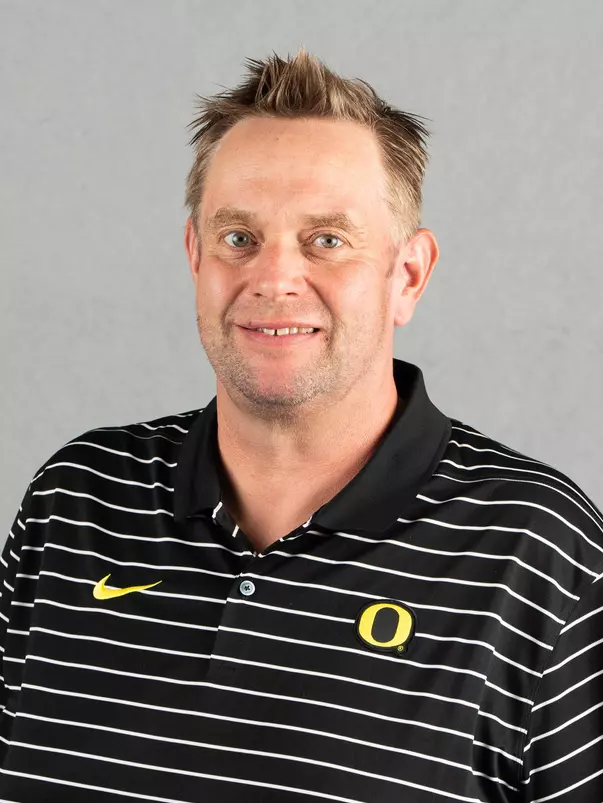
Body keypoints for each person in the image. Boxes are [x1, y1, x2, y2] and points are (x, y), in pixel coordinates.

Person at [1, 46, 602, 803]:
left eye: (326, 240)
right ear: (195, 256)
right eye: (237, 237)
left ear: (407, 275)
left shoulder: (536, 546)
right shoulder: (77, 501)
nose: (274, 277)